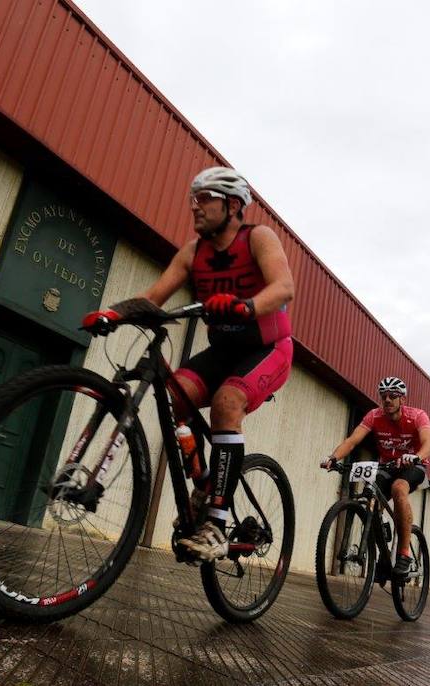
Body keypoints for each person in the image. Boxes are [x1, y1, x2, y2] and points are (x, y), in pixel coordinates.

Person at [84, 166, 295, 561]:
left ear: (233, 205)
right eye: (192, 199)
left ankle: (216, 521)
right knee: (172, 399)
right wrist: (113, 314)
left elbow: (284, 288)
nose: (194, 207)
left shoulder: (258, 238)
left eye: (205, 198)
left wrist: (244, 306)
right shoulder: (193, 251)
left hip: (270, 348)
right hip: (224, 351)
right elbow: (155, 296)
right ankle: (204, 482)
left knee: (226, 403)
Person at [322, 376, 430, 576]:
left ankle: (404, 554)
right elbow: (352, 441)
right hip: (388, 465)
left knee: (399, 488)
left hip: (414, 465)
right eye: (384, 396)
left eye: (393, 396)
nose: (387, 400)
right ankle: (382, 555)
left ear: (403, 400)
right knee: (371, 503)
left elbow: (429, 444)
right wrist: (333, 457)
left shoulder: (418, 416)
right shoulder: (374, 416)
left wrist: (416, 457)